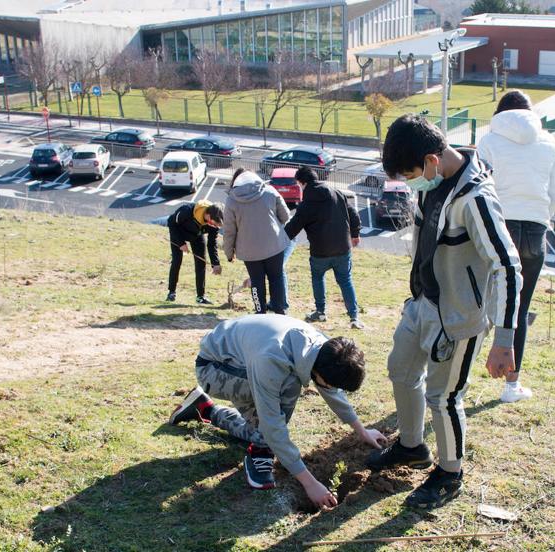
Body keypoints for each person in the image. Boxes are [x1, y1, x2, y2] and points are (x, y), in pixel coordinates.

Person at [367, 114, 523, 510]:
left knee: (445, 398)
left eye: (410, 173)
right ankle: (411, 446)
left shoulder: (477, 199)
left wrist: (504, 340)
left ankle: (450, 473)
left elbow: (508, 266)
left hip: (459, 318)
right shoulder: (431, 185)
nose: (409, 182)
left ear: (432, 160)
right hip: (422, 302)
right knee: (401, 371)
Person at [169, 314, 386, 507]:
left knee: (285, 389)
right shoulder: (271, 361)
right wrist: (310, 484)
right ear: (322, 374)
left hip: (240, 360)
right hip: (213, 368)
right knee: (285, 393)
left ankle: (204, 409)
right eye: (333, 384)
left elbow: (331, 390)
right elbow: (272, 423)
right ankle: (260, 451)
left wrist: (361, 430)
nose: (334, 390)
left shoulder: (323, 349)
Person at [477, 90, 555, 404]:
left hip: (500, 225)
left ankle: (458, 376)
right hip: (535, 229)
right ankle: (512, 386)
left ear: (500, 113)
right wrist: (540, 217)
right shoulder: (550, 143)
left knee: (483, 305)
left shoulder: (489, 141)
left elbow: (481, 187)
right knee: (519, 309)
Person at [285, 166, 364, 329]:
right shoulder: (336, 192)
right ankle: (354, 317)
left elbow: (293, 227)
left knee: (318, 278)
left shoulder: (306, 204)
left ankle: (320, 311)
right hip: (343, 247)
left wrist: (280, 238)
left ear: (302, 182)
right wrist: (355, 234)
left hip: (320, 251)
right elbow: (353, 214)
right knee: (345, 280)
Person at [224, 169, 291, 314]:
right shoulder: (270, 191)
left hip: (249, 251)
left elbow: (229, 231)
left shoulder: (231, 200)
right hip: (274, 245)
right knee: (276, 277)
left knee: (256, 281)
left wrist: (229, 253)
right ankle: (280, 311)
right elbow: (285, 216)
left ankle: (260, 311)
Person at [166, 200, 223, 305]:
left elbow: (211, 244)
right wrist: (181, 243)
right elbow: (171, 223)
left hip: (197, 236)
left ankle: (200, 297)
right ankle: (171, 292)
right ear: (208, 215)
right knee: (177, 260)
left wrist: (215, 263)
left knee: (201, 263)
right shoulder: (187, 211)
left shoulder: (214, 225)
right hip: (179, 233)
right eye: (213, 223)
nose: (214, 226)